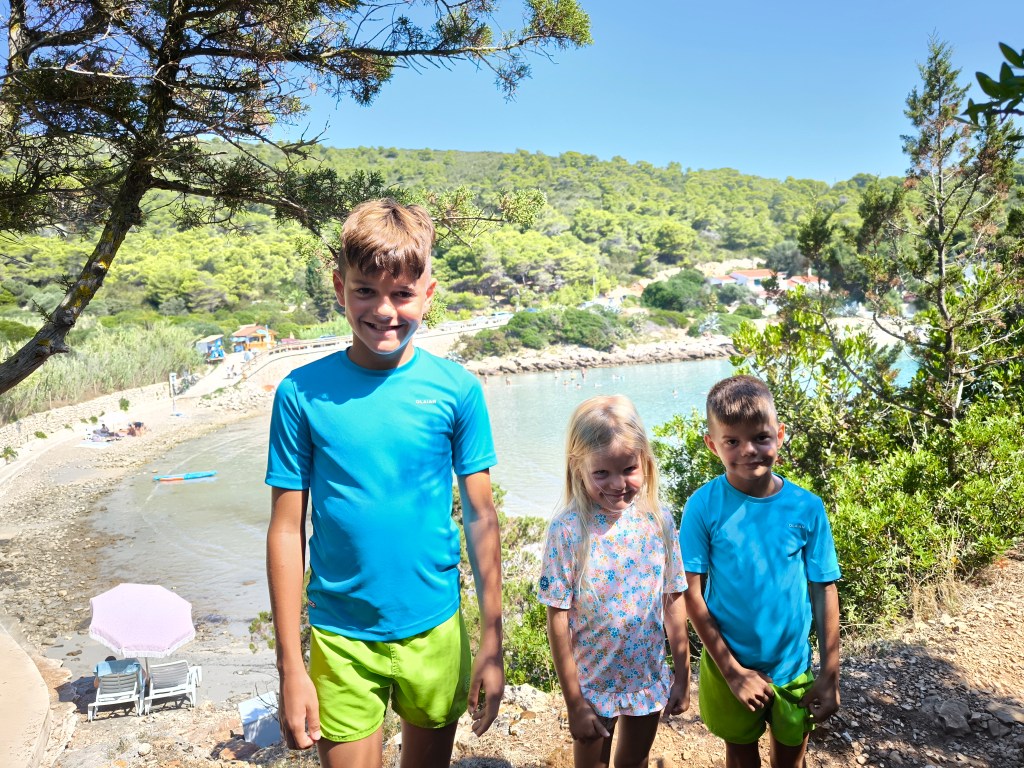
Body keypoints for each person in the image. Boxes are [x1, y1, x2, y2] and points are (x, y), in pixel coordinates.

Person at [265, 199, 503, 768]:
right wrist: (290, 665)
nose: (384, 310)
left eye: (402, 293)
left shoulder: (457, 390)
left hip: (435, 626)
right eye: (365, 291)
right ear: (339, 289)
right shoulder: (300, 393)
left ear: (428, 294)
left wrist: (493, 640)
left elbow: (481, 516)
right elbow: (286, 530)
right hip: (340, 634)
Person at [679, 375, 841, 768]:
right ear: (712, 445)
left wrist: (830, 674)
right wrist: (733, 672)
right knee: (740, 754)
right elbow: (690, 593)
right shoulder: (703, 506)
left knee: (791, 757)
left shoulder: (806, 507)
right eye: (732, 441)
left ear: (779, 435)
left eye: (760, 438)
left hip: (793, 666)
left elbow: (823, 589)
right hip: (728, 665)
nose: (748, 450)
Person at [538, 395, 690, 768]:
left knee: (635, 761)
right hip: (591, 685)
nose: (618, 484)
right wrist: (574, 702)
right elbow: (557, 618)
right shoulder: (568, 530)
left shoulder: (658, 520)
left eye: (629, 469)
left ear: (645, 461)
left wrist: (683, 675)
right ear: (578, 466)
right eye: (602, 473)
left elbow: (673, 597)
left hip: (646, 678)